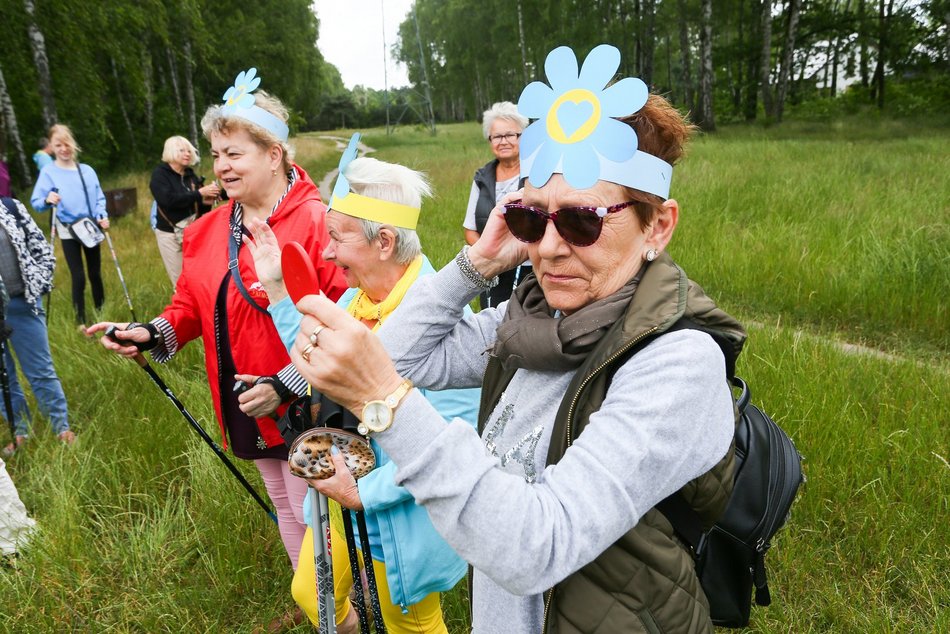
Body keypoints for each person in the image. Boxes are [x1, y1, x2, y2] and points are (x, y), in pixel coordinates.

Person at [287, 45, 748, 633]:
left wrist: (388, 404)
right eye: (533, 218)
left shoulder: (678, 363)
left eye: (582, 220)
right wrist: (476, 263)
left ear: (658, 224)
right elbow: (402, 354)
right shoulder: (533, 322)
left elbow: (537, 546)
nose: (549, 248)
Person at [88, 69, 347, 627]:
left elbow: (345, 315)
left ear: (274, 154)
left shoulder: (318, 222)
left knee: (322, 506)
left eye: (235, 153)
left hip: (307, 397)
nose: (222, 166)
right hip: (243, 396)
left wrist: (292, 382)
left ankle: (344, 608)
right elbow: (188, 305)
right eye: (216, 154)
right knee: (283, 500)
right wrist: (152, 332)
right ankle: (319, 607)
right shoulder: (207, 230)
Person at [246, 143, 480, 633]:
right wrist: (282, 290)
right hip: (341, 492)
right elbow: (317, 355)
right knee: (311, 593)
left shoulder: (444, 322)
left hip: (398, 511)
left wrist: (363, 492)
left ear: (385, 242)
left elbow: (451, 441)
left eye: (337, 238)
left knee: (407, 619)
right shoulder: (356, 299)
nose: (326, 251)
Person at [0, 196, 73, 456]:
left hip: (23, 304)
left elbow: (40, 247)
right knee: (2, 378)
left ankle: (61, 427)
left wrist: (40, 280)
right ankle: (20, 431)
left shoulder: (10, 207)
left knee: (40, 371)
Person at [30, 124, 109, 330]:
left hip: (90, 228)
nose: (63, 149)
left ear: (73, 145)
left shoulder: (87, 171)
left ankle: (102, 314)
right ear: (52, 147)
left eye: (67, 144)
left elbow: (99, 197)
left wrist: (102, 215)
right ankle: (80, 320)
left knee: (95, 273)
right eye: (58, 145)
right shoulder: (48, 172)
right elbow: (36, 202)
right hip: (66, 229)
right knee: (79, 275)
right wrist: (48, 199)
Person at [462, 101, 531, 309]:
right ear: (490, 141)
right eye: (497, 136)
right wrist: (491, 254)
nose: (503, 141)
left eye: (510, 135)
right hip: (493, 270)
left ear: (523, 137)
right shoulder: (482, 178)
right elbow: (470, 230)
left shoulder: (537, 175)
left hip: (530, 270)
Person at [150, 135, 220, 286]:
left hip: (192, 231)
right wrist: (200, 193)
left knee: (199, 274)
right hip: (169, 234)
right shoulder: (159, 175)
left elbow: (198, 207)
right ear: (171, 152)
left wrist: (207, 200)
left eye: (189, 150)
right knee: (181, 280)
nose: (187, 154)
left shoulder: (190, 175)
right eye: (182, 150)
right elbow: (168, 201)